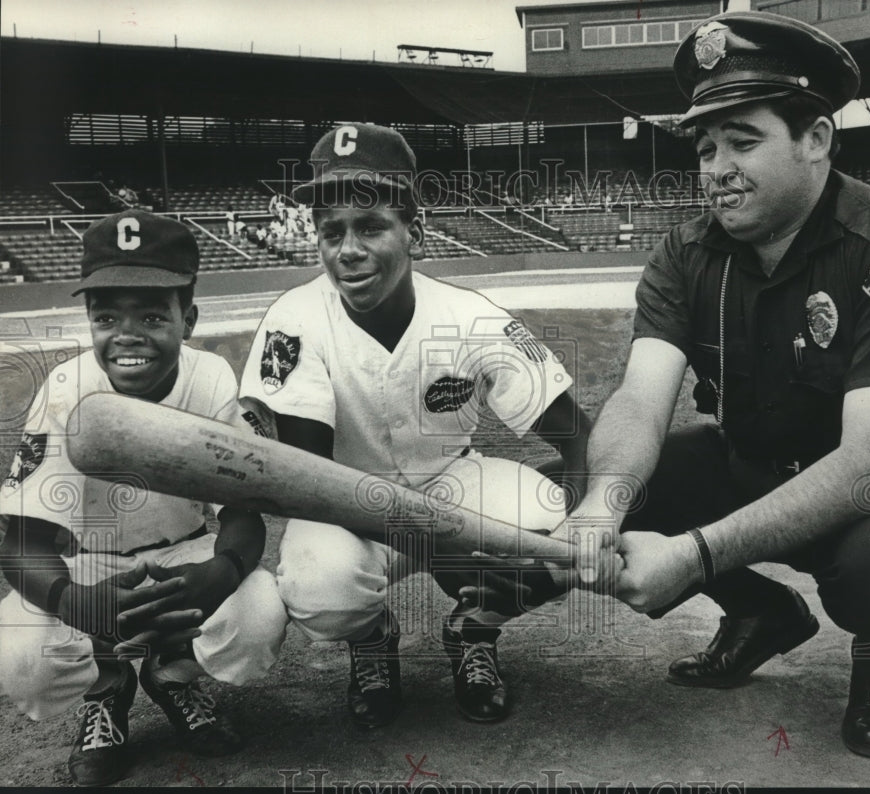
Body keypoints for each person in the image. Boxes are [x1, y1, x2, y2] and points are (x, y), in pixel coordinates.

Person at [566, 11, 870, 760]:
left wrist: (694, 556)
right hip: (765, 461)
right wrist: (605, 503)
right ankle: (761, 613)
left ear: (816, 139)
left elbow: (869, 469)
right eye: (705, 147)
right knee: (598, 481)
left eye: (743, 140)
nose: (716, 168)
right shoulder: (688, 250)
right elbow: (640, 396)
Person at [239, 123, 590, 727]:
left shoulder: (471, 316)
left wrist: (588, 523)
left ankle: (474, 628)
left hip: (450, 481)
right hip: (341, 502)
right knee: (321, 591)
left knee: (563, 531)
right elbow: (305, 475)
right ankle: (372, 639)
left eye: (371, 226)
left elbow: (577, 438)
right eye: (331, 232)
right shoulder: (293, 319)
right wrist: (425, 532)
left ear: (414, 233)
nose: (347, 249)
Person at [0, 209, 288, 786]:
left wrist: (223, 571)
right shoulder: (66, 387)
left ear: (189, 320)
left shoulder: (211, 378)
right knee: (22, 655)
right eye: (107, 316)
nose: (127, 335)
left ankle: (171, 674)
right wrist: (72, 601)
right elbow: (20, 542)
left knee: (257, 616)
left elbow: (242, 513)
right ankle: (108, 690)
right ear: (89, 320)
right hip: (90, 561)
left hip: (184, 551)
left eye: (153, 315)